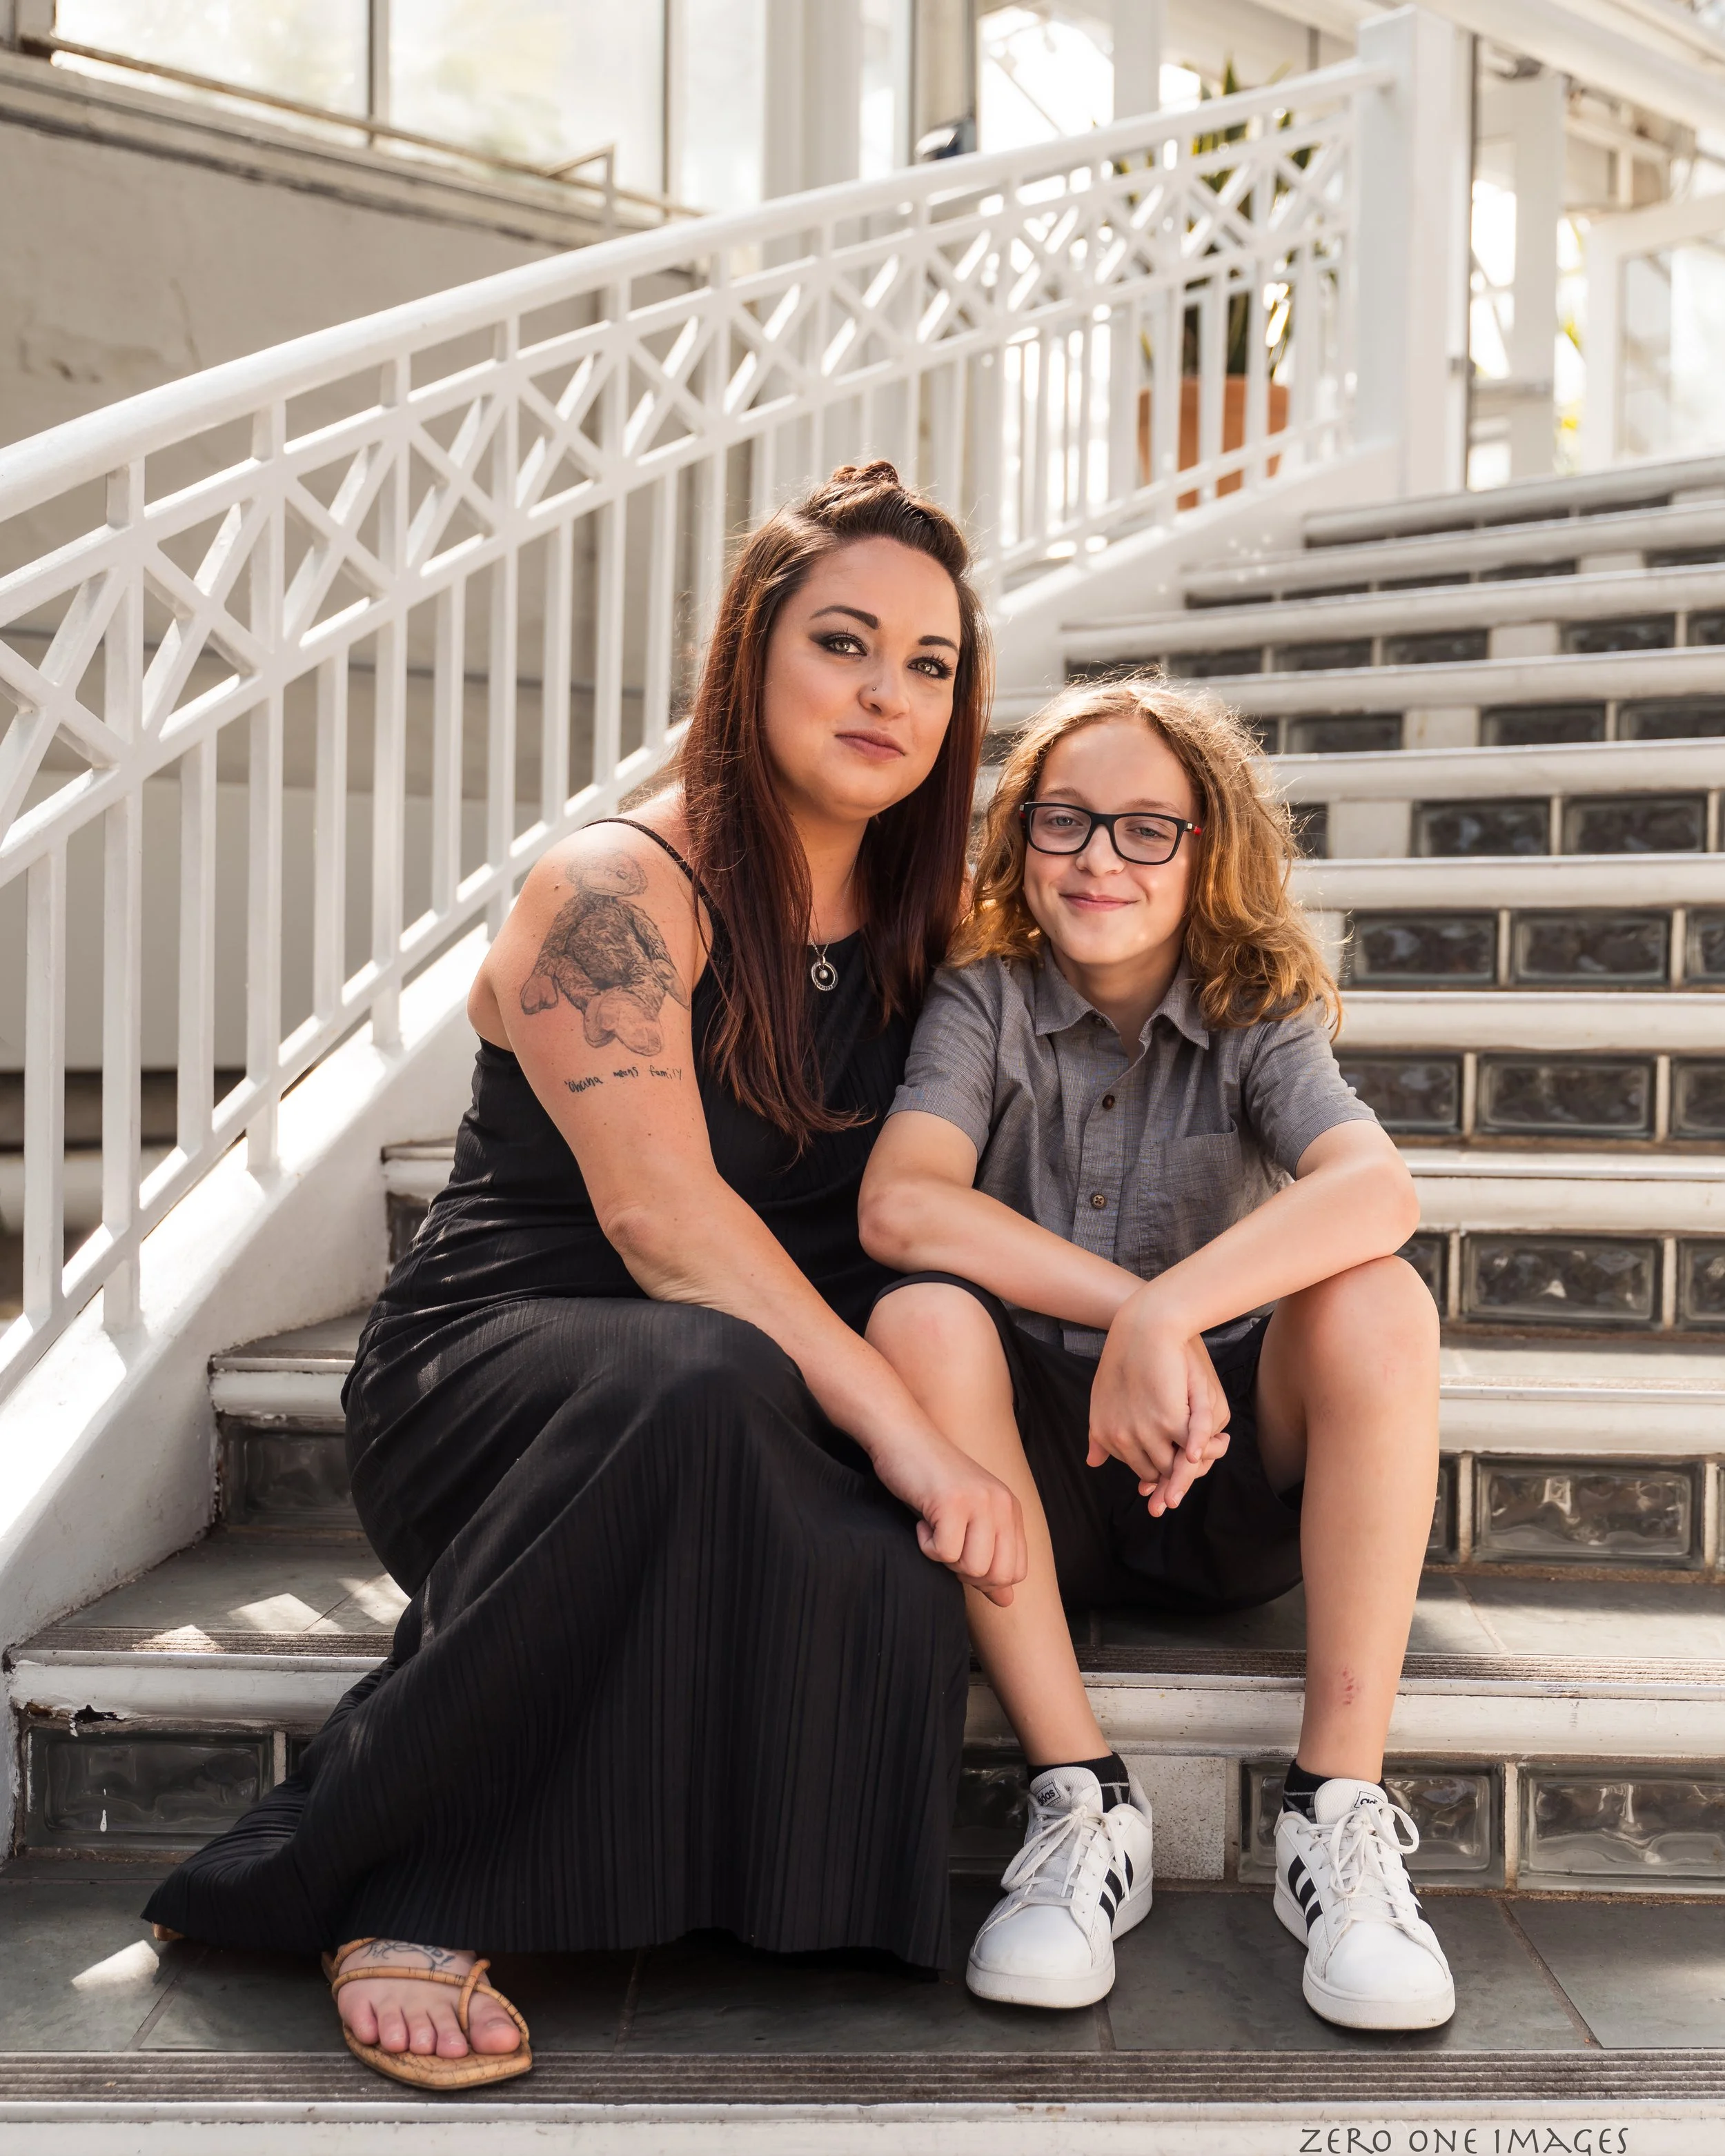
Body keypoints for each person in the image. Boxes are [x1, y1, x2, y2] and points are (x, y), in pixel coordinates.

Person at [143, 463, 1029, 2088]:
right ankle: (402, 1876)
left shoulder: (930, 921)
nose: (886, 691)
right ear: (749, 653)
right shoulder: (616, 888)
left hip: (755, 1382)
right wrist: (905, 1424)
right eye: (843, 642)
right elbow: (667, 1230)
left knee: (865, 1534)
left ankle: (711, 1882)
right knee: (701, 1372)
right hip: (500, 1381)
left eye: (930, 663)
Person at [858, 676, 1455, 2033]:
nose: (1098, 859)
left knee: (1377, 1298)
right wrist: (1136, 1305)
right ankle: (1080, 1797)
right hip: (1036, 1502)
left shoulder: (1252, 1007)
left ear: (1206, 849)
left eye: (1145, 828)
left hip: (1221, 1469)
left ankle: (1334, 1818)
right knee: (918, 1313)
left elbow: (1374, 1189)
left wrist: (1164, 1318)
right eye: (1064, 821)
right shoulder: (982, 1000)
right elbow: (900, 1204)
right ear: (1018, 841)